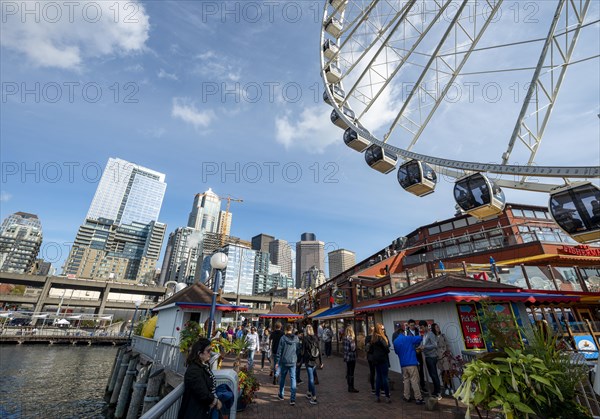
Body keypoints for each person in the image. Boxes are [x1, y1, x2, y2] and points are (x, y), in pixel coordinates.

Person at [178, 338, 222, 419]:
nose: (210, 353)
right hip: (196, 413)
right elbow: (202, 392)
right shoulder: (194, 370)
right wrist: (215, 401)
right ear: (199, 353)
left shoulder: (203, 365)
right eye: (208, 351)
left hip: (203, 411)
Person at [394, 330, 425, 405]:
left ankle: (406, 396)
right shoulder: (408, 338)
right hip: (411, 363)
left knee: (406, 380)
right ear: (402, 333)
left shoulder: (395, 341)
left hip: (403, 364)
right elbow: (419, 338)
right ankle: (418, 398)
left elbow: (397, 352)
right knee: (414, 380)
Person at [275, 323, 300, 406]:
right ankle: (292, 398)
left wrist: (277, 361)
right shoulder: (296, 338)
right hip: (293, 361)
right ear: (292, 330)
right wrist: (298, 358)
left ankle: (281, 394)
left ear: (286, 329)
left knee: (283, 378)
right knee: (293, 379)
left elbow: (279, 351)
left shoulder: (283, 338)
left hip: (284, 361)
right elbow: (298, 350)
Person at [371, 323, 391, 403]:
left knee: (378, 377)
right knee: (385, 378)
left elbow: (371, 350)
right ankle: (387, 396)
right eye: (382, 329)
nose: (383, 330)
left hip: (376, 359)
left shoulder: (373, 338)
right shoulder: (381, 338)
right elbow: (386, 348)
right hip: (383, 359)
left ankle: (377, 395)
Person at [422, 322, 442, 400]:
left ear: (426, 326)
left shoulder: (430, 334)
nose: (422, 329)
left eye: (422, 327)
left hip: (432, 357)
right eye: (421, 327)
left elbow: (434, 345)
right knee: (432, 374)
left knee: (434, 374)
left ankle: (438, 392)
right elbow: (423, 343)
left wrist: (425, 347)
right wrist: (421, 346)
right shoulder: (424, 335)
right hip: (427, 357)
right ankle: (436, 391)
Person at [302, 325, 320, 405]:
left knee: (311, 379)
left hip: (308, 360)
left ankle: (314, 397)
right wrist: (321, 362)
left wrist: (300, 361)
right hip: (314, 360)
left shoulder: (305, 339)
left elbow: (302, 351)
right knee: (311, 377)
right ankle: (309, 393)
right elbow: (318, 350)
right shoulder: (316, 338)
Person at [435, 323, 453, 396]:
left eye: (438, 326)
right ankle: (445, 387)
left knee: (448, 370)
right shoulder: (433, 337)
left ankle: (451, 387)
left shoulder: (443, 336)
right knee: (442, 371)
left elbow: (447, 344)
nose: (438, 328)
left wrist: (449, 352)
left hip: (445, 355)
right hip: (439, 357)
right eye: (436, 327)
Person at [343, 325, 359, 393]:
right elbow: (353, 348)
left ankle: (349, 386)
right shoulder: (351, 339)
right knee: (351, 373)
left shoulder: (345, 338)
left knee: (348, 372)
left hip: (347, 357)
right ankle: (351, 387)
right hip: (351, 357)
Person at [365, 325, 376, 394]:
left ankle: (373, 388)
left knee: (372, 372)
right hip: (375, 356)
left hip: (370, 357)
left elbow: (366, 348)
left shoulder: (367, 337)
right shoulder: (375, 337)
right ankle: (380, 388)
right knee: (377, 372)